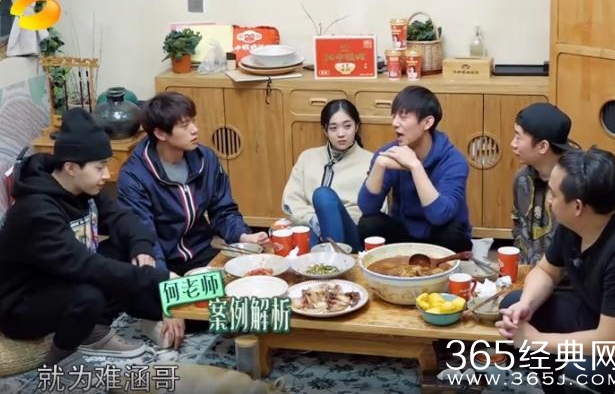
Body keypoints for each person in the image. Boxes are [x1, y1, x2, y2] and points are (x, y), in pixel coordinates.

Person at [0, 109, 180, 376]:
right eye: (99, 167)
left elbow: (122, 217)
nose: (106, 174)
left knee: (124, 251)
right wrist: (158, 277)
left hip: (59, 277)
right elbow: (85, 265)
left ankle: (96, 329)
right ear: (71, 168)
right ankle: (60, 357)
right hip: (21, 304)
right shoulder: (37, 210)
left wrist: (141, 248)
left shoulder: (83, 189)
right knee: (89, 295)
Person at [497, 147, 615, 393]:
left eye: (553, 193)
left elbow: (610, 342)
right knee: (514, 306)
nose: (549, 199)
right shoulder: (574, 224)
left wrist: (536, 341)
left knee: (579, 371)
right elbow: (547, 271)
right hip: (594, 314)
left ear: (578, 206)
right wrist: (527, 304)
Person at [117, 91, 269, 276]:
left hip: (200, 253)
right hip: (161, 261)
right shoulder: (134, 175)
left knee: (248, 278)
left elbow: (223, 209)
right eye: (184, 126)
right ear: (160, 133)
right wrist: (164, 277)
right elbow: (144, 235)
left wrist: (243, 236)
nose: (195, 129)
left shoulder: (205, 158)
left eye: (193, 122)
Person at [357, 85, 472, 253]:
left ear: (427, 122)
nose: (395, 123)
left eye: (403, 117)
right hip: (404, 234)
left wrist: (415, 166)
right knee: (369, 223)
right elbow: (367, 208)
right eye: (394, 116)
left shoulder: (454, 161)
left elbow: (439, 216)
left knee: (452, 234)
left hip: (441, 236)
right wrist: (379, 164)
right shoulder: (391, 153)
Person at [282, 99, 384, 252]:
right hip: (311, 228)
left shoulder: (371, 161)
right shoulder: (307, 157)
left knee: (323, 195)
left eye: (347, 126)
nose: (341, 134)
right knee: (299, 233)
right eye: (333, 128)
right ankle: (318, 262)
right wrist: (314, 220)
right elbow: (291, 201)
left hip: (351, 234)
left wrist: (333, 218)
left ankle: (335, 260)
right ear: (325, 131)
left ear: (356, 127)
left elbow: (380, 209)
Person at [511, 103, 578, 265]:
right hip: (529, 270)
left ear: (543, 146)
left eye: (519, 137)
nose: (513, 144)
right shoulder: (522, 179)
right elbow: (518, 223)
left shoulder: (576, 184)